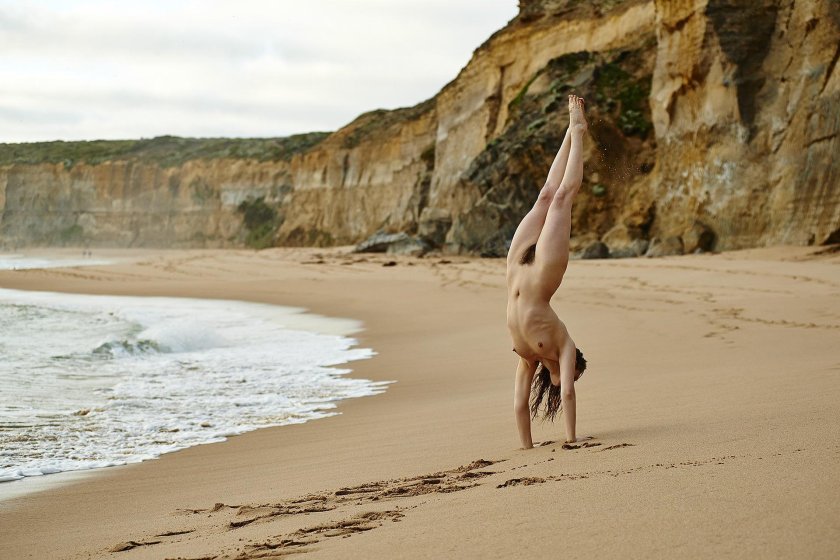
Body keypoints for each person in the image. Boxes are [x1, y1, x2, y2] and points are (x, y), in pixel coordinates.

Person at [506, 94, 591, 450]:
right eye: (574, 372)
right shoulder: (564, 345)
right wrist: (572, 439)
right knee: (556, 198)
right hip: (542, 275)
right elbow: (569, 393)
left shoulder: (529, 359)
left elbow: (519, 406)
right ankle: (576, 132)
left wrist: (527, 450)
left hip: (513, 267)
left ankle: (573, 131)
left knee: (548, 198)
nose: (569, 377)